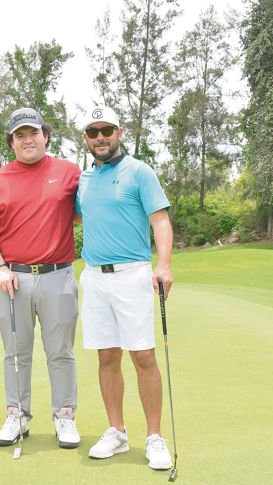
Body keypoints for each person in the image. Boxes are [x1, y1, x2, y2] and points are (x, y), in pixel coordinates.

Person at [0, 107, 82, 449]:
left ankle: (64, 416)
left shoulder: (68, 172)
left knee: (61, 352)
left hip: (59, 275)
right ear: (11, 142)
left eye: (33, 133)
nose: (28, 140)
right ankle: (17, 415)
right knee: (15, 353)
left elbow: (82, 214)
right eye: (20, 135)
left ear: (45, 136)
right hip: (13, 279)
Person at [75, 106, 175, 469]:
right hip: (94, 277)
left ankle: (154, 437)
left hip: (132, 273)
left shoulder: (139, 172)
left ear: (119, 132)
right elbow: (72, 216)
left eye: (106, 130)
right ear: (85, 138)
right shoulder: (84, 181)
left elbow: (160, 221)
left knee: (143, 356)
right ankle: (116, 431)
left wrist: (163, 265)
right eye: (92, 132)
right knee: (107, 356)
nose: (100, 137)